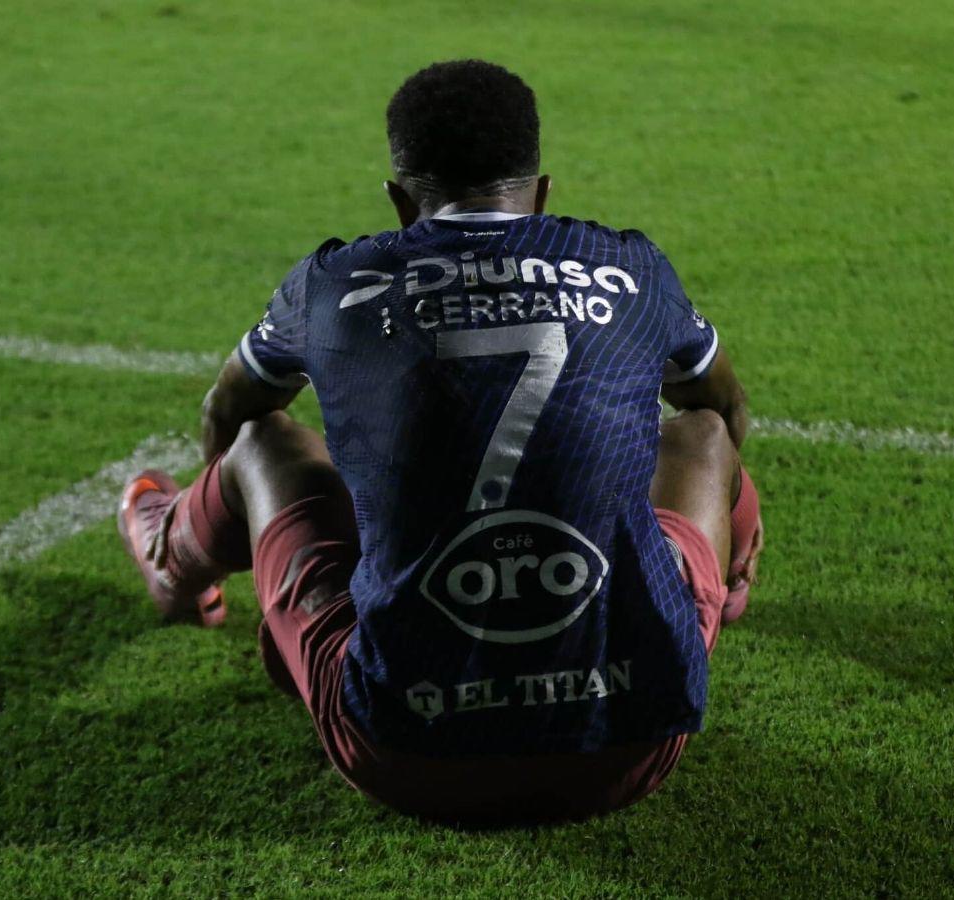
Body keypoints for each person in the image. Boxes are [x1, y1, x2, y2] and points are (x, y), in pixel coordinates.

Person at [118, 59, 763, 826]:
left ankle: (176, 560)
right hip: (632, 744)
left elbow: (228, 410)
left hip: (406, 755)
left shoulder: (333, 284)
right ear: (543, 191)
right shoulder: (628, 266)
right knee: (703, 436)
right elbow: (718, 400)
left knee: (263, 444)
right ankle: (728, 586)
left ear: (399, 202)